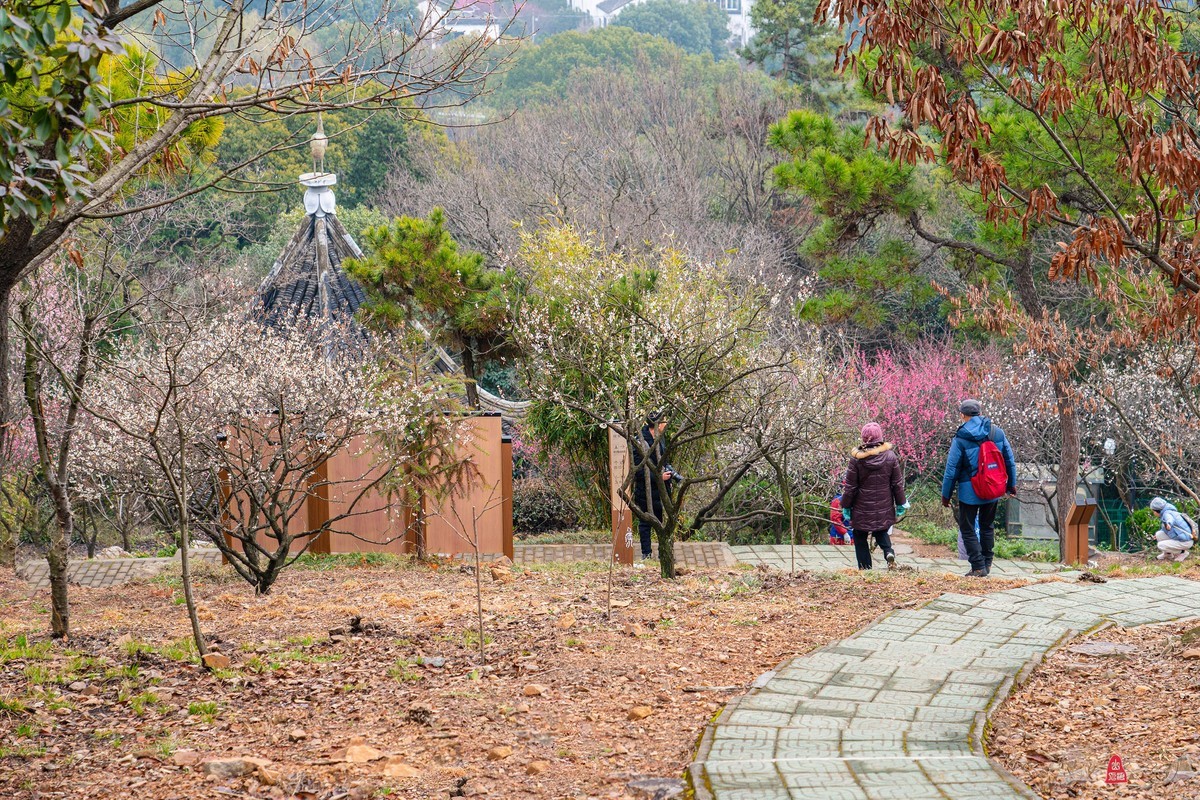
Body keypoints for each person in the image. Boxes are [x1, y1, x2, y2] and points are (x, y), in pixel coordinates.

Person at [941, 399, 1018, 577]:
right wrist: (1011, 485)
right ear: (980, 412)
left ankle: (977, 566)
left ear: (962, 415)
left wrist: (946, 495)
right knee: (987, 526)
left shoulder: (961, 437)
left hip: (970, 491)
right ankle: (987, 562)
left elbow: (951, 470)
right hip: (992, 488)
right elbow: (1009, 460)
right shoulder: (996, 432)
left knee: (967, 527)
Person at [841, 422, 906, 570]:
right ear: (880, 437)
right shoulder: (890, 456)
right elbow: (897, 483)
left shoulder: (857, 459)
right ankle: (888, 552)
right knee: (881, 530)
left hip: (861, 506)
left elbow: (850, 487)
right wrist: (901, 502)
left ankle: (865, 568)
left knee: (859, 535)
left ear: (864, 439)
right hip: (884, 504)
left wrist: (846, 506)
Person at [631, 410, 677, 561]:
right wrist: (658, 477)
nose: (665, 425)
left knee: (664, 522)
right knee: (646, 521)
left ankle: (665, 553)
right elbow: (637, 469)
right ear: (656, 425)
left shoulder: (660, 438)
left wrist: (670, 473)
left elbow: (663, 460)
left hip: (662, 488)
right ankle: (646, 554)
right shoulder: (640, 441)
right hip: (646, 489)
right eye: (663, 422)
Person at [1150, 497, 1194, 562]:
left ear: (1157, 510)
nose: (1153, 513)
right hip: (1182, 537)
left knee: (1161, 545)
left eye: (1153, 511)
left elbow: (1170, 519)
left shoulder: (1167, 514)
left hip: (1186, 542)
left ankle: (1183, 552)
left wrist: (1168, 523)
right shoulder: (1168, 512)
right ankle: (1168, 554)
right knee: (1158, 534)